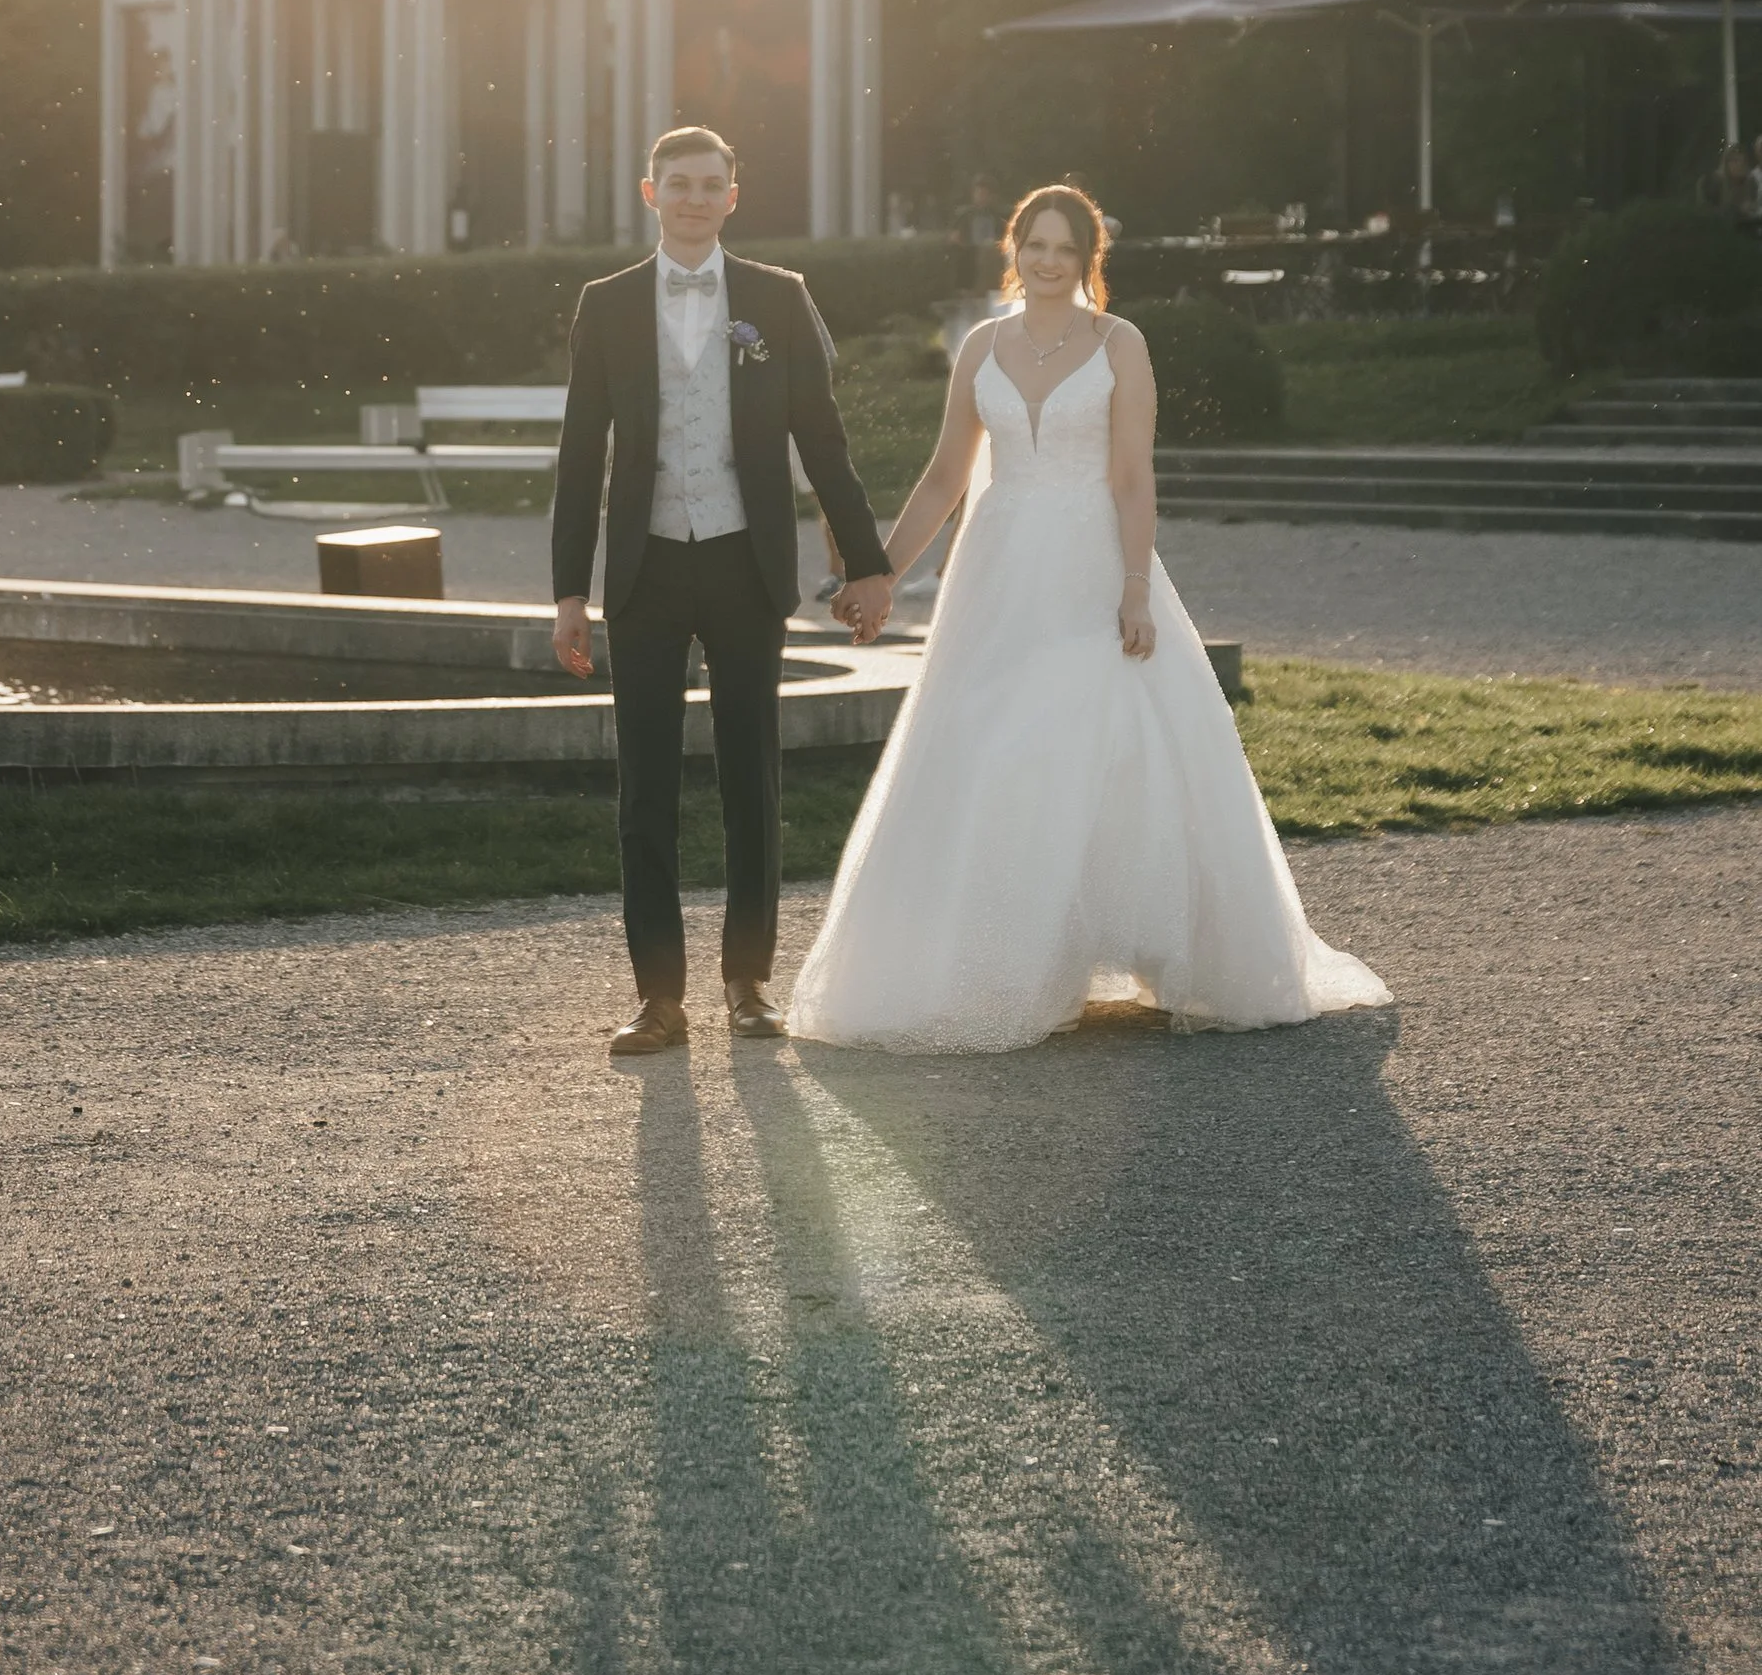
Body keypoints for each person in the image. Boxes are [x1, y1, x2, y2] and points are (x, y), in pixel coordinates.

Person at [787, 182, 1387, 1053]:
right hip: (996, 573)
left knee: (1096, 737)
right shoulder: (981, 346)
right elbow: (946, 475)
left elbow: (1133, 477)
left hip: (1092, 564)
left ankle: (1150, 952)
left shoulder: (1119, 344)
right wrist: (880, 573)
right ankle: (1002, 966)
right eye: (1036, 244)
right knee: (992, 742)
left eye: (1066, 249)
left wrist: (1135, 587)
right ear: (1014, 248)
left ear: (1088, 261)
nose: (1048, 261)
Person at [551, 124, 893, 1058]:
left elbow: (823, 441)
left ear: (734, 197)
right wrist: (567, 591)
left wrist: (867, 566)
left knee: (753, 777)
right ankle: (659, 997)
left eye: (712, 184)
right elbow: (581, 455)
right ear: (649, 192)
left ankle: (748, 983)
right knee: (644, 789)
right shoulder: (608, 303)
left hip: (745, 564)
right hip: (646, 569)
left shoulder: (778, 301)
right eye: (680, 184)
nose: (696, 198)